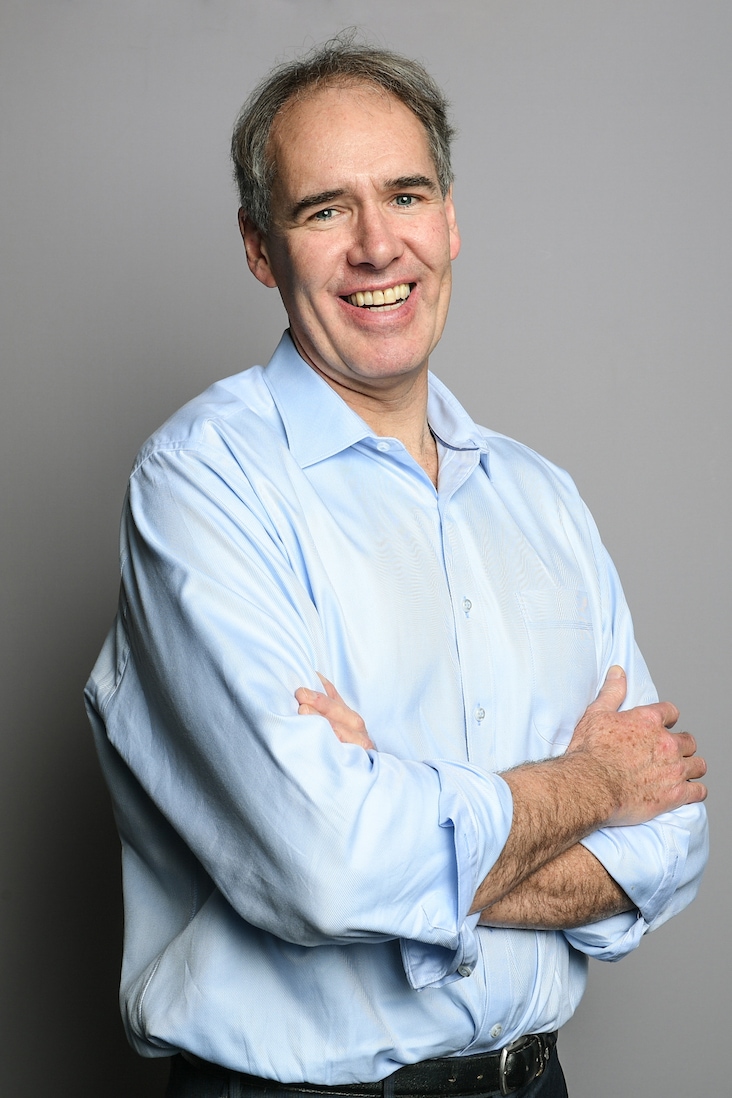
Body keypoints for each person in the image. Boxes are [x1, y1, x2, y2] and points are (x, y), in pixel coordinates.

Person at [86, 37, 708, 1098]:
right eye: (325, 209)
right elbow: (324, 868)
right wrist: (593, 784)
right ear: (260, 248)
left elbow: (674, 840)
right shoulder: (201, 485)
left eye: (406, 195)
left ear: (450, 220)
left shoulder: (542, 501)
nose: (379, 247)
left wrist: (402, 813)